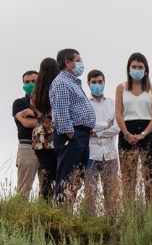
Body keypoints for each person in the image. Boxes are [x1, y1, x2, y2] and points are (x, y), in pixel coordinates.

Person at [50, 48, 95, 205]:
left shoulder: (73, 82)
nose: (81, 64)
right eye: (78, 60)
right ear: (68, 62)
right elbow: (62, 114)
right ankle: (61, 219)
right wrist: (72, 137)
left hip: (81, 136)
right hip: (72, 136)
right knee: (67, 179)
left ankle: (67, 216)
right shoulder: (62, 82)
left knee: (76, 179)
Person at [115, 52, 152, 206]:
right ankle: (129, 213)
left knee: (150, 176)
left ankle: (151, 212)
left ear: (145, 69)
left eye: (140, 67)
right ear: (128, 68)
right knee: (128, 178)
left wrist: (143, 134)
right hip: (127, 131)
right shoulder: (121, 88)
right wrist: (127, 133)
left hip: (147, 132)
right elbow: (118, 113)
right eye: (134, 67)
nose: (137, 70)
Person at [85, 70, 120, 214]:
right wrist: (107, 124)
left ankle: (111, 223)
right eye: (94, 82)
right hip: (91, 155)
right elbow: (86, 126)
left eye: (100, 82)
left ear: (104, 83)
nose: (97, 85)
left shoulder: (113, 104)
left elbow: (118, 127)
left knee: (111, 193)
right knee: (90, 193)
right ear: (88, 83)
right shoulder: (85, 104)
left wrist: (97, 133)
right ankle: (89, 224)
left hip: (110, 155)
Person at [30, 58, 58, 202]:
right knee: (59, 173)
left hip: (39, 137)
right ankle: (59, 205)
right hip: (56, 134)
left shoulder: (35, 92)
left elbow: (36, 113)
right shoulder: (57, 89)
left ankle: (45, 204)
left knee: (46, 173)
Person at [12, 69, 39, 198]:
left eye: (34, 81)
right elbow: (27, 123)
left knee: (48, 190)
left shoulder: (49, 102)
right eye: (27, 82)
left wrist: (36, 114)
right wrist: (46, 119)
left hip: (48, 148)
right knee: (24, 190)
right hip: (27, 147)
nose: (30, 84)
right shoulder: (19, 103)